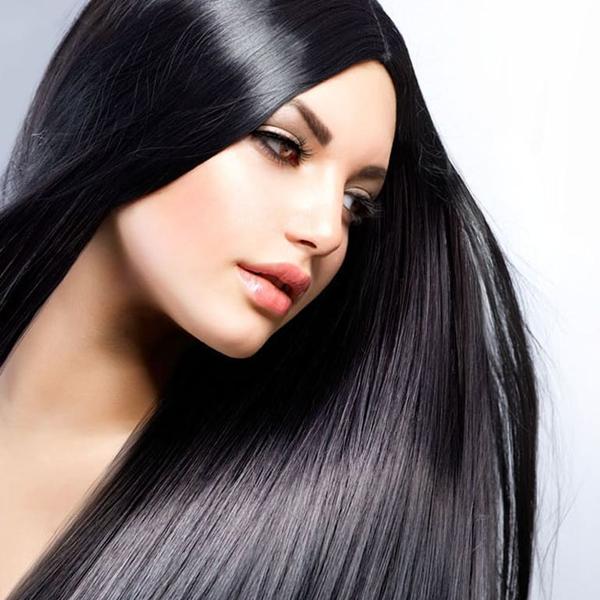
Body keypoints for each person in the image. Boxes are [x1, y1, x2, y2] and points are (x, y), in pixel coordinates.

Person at [0, 1, 539, 598]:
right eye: (283, 146)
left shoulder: (307, 538)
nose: (327, 232)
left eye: (355, 202)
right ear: (130, 100)